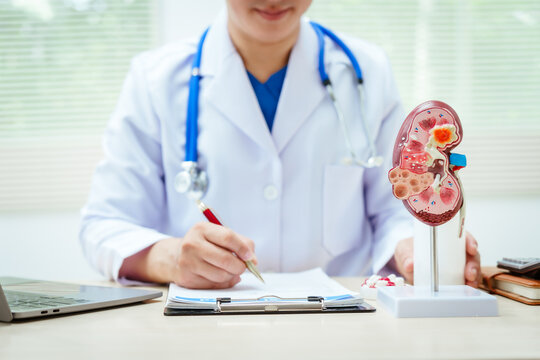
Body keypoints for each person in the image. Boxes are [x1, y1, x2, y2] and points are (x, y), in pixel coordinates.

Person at [79, 0, 481, 289]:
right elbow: (103, 224)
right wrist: (172, 259)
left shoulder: (366, 73)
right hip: (205, 327)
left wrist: (414, 250)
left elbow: (392, 210)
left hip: (344, 322)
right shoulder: (156, 80)